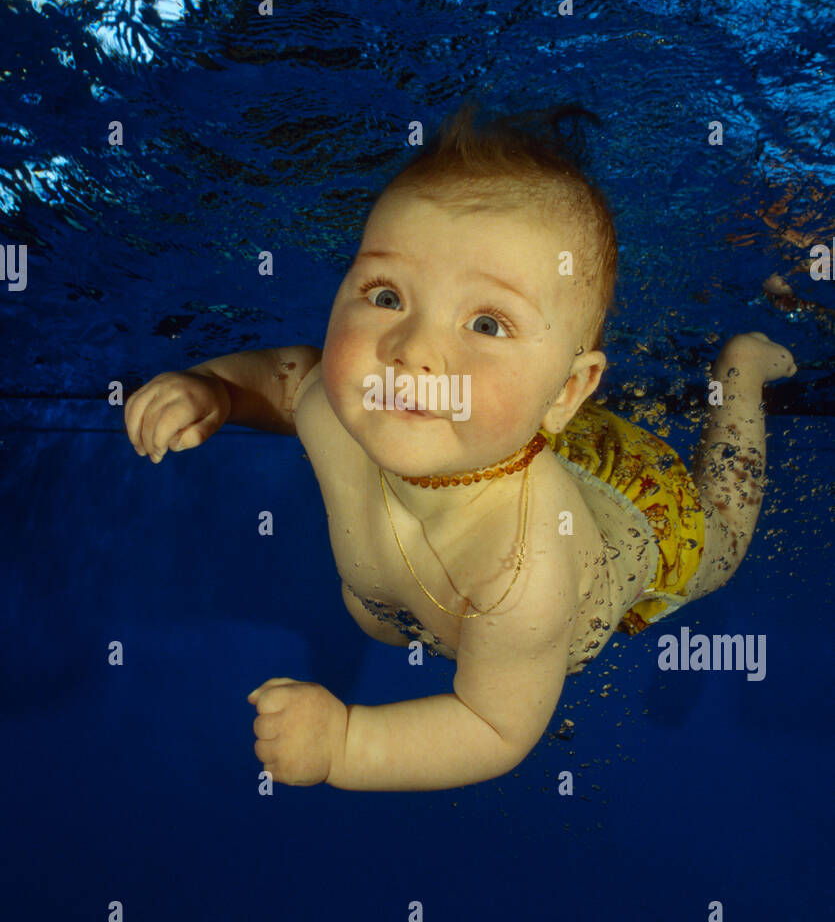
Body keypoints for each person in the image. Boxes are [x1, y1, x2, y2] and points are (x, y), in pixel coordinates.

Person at [124, 102, 796, 792]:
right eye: (385, 296)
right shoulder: (338, 407)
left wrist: (347, 745)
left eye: (485, 321)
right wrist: (216, 388)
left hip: (641, 525)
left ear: (566, 392)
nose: (411, 349)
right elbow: (290, 378)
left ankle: (740, 373)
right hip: (503, 439)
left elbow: (493, 726)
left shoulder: (522, 573)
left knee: (720, 538)